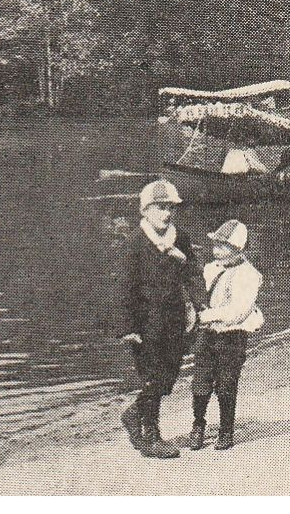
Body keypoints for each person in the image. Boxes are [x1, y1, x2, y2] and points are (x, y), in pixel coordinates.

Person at [117, 179, 201, 459]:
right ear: (145, 211)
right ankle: (152, 436)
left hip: (176, 318)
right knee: (152, 377)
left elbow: (193, 276)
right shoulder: (136, 243)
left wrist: (201, 307)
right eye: (160, 208)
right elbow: (124, 287)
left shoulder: (181, 238)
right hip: (146, 323)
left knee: (168, 377)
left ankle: (133, 414)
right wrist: (127, 327)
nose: (166, 214)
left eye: (170, 208)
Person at [187, 219, 263, 452]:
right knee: (200, 380)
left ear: (237, 248)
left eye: (222, 246)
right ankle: (198, 425)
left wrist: (205, 316)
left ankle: (226, 430)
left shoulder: (250, 275)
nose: (216, 250)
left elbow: (238, 312)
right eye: (215, 245)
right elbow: (199, 294)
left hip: (232, 336)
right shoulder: (211, 268)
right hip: (207, 333)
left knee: (226, 383)